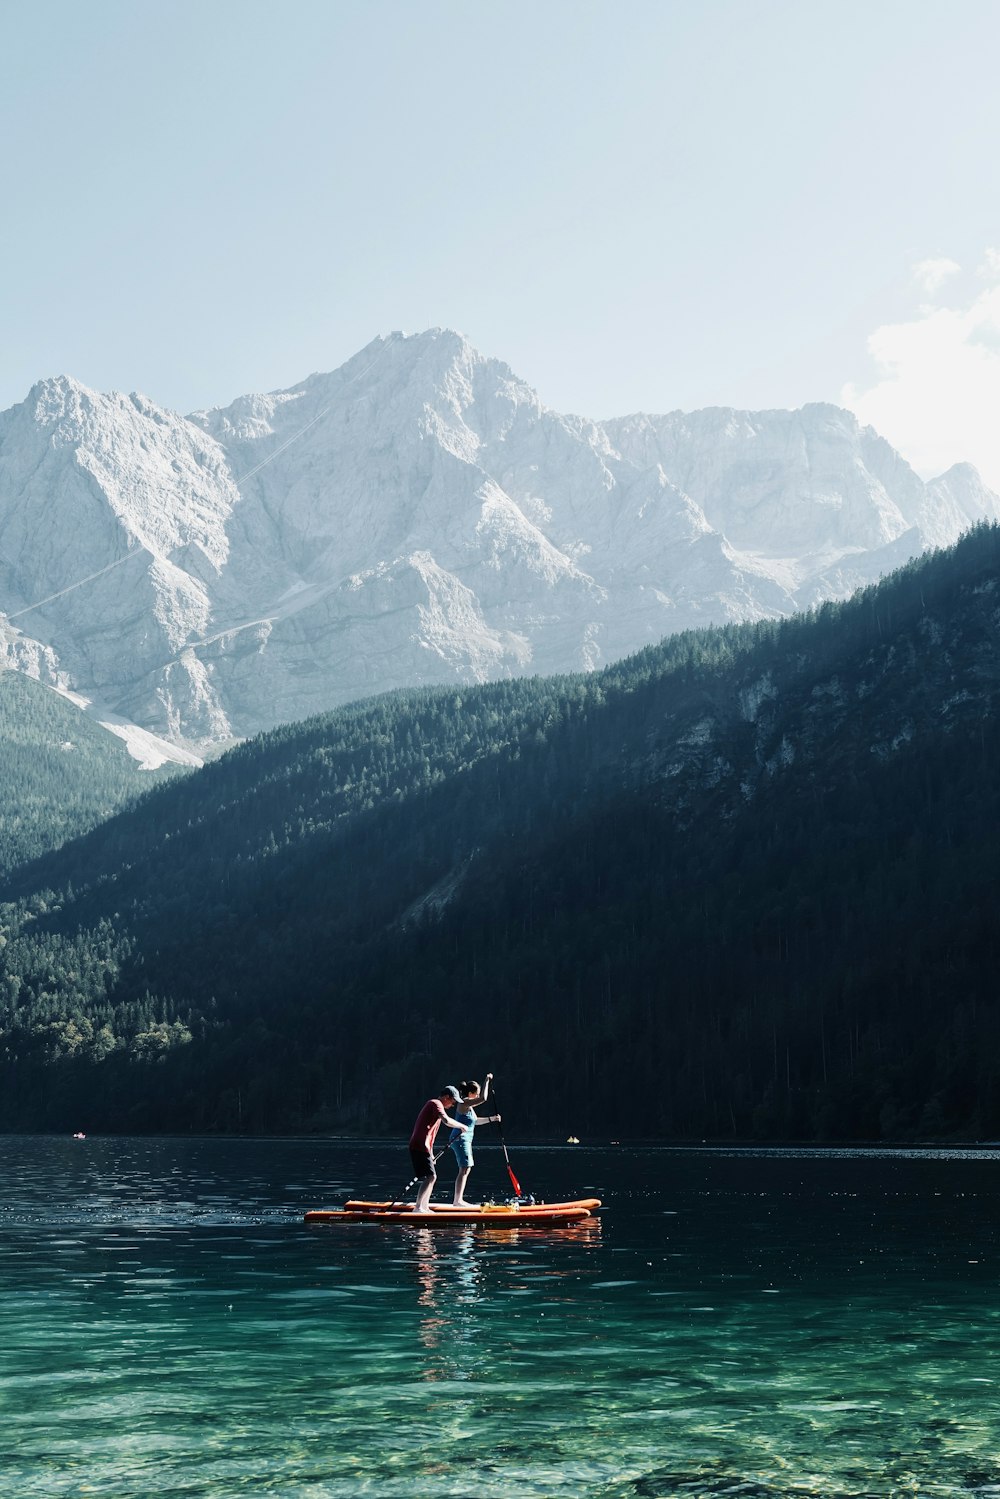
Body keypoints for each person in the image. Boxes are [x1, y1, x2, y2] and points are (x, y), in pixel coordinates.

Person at [409, 1087, 472, 1213]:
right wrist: (461, 1126)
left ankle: (424, 1206)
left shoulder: (436, 1106)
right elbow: (446, 1121)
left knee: (432, 1177)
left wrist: (431, 1153)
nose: (453, 1105)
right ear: (445, 1097)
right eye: (453, 1101)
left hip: (423, 1146)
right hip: (419, 1145)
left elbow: (430, 1135)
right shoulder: (435, 1104)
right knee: (431, 1176)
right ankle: (418, 1207)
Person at [449, 1073, 501, 1207]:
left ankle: (458, 1200)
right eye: (476, 1093)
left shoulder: (469, 1107)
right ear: (471, 1093)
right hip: (460, 1138)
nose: (477, 1096)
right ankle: (458, 1201)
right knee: (465, 1168)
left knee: (466, 1168)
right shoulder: (464, 1102)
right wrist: (486, 1080)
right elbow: (484, 1098)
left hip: (464, 1139)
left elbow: (475, 1121)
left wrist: (492, 1119)